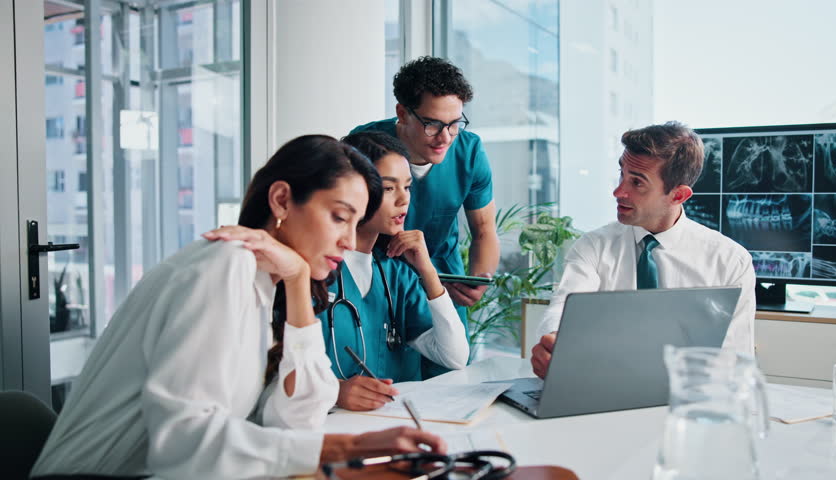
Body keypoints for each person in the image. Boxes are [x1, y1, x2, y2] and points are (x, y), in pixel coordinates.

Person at [30, 135, 445, 480]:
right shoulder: (224, 265)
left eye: (357, 225)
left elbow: (297, 418)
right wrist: (345, 449)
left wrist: (300, 282)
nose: (350, 243)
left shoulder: (268, 282)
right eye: (340, 217)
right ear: (282, 200)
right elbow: (182, 443)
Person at [259, 131, 470, 420]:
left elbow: (455, 356)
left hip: (390, 427)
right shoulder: (308, 271)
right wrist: (335, 391)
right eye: (387, 188)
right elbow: (263, 388)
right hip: (325, 431)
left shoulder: (395, 274)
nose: (402, 200)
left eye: (407, 187)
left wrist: (428, 271)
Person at [530, 122, 756, 379]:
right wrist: (556, 343)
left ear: (678, 195)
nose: (618, 192)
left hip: (688, 396)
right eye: (622, 175)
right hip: (603, 386)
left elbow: (735, 359)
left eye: (636, 182)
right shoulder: (593, 246)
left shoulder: (729, 262)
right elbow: (563, 307)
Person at [350, 57, 500, 342]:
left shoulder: (469, 152)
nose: (445, 137)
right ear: (403, 113)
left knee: (448, 370)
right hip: (381, 275)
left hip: (442, 278)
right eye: (432, 124)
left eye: (455, 124)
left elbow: (484, 231)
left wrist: (480, 277)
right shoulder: (365, 145)